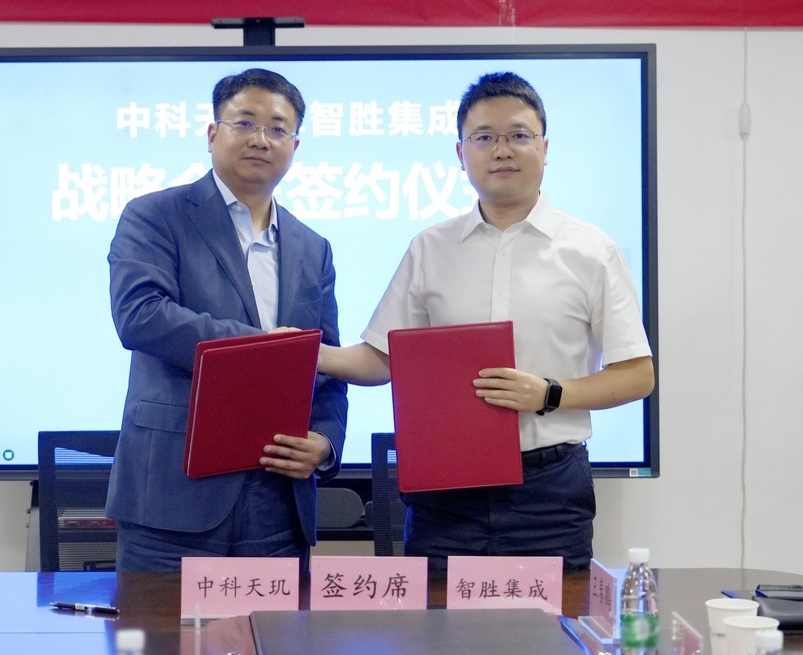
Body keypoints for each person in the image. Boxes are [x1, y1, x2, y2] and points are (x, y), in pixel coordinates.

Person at [319, 71, 654, 570]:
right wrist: (314, 355)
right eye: (484, 138)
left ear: (545, 148)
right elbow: (382, 360)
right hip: (446, 491)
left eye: (518, 135)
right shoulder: (430, 248)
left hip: (549, 491)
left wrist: (549, 394)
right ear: (461, 153)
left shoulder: (592, 251)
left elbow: (637, 375)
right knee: (439, 618)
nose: (502, 150)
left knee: (550, 620)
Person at [105, 68, 348, 572]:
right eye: (245, 122)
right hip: (173, 496)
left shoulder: (313, 247)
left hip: (277, 504)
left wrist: (325, 443)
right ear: (213, 133)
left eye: (277, 128)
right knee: (159, 626)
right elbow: (141, 316)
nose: (261, 139)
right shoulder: (155, 216)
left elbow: (325, 363)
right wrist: (267, 346)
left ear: (295, 145)